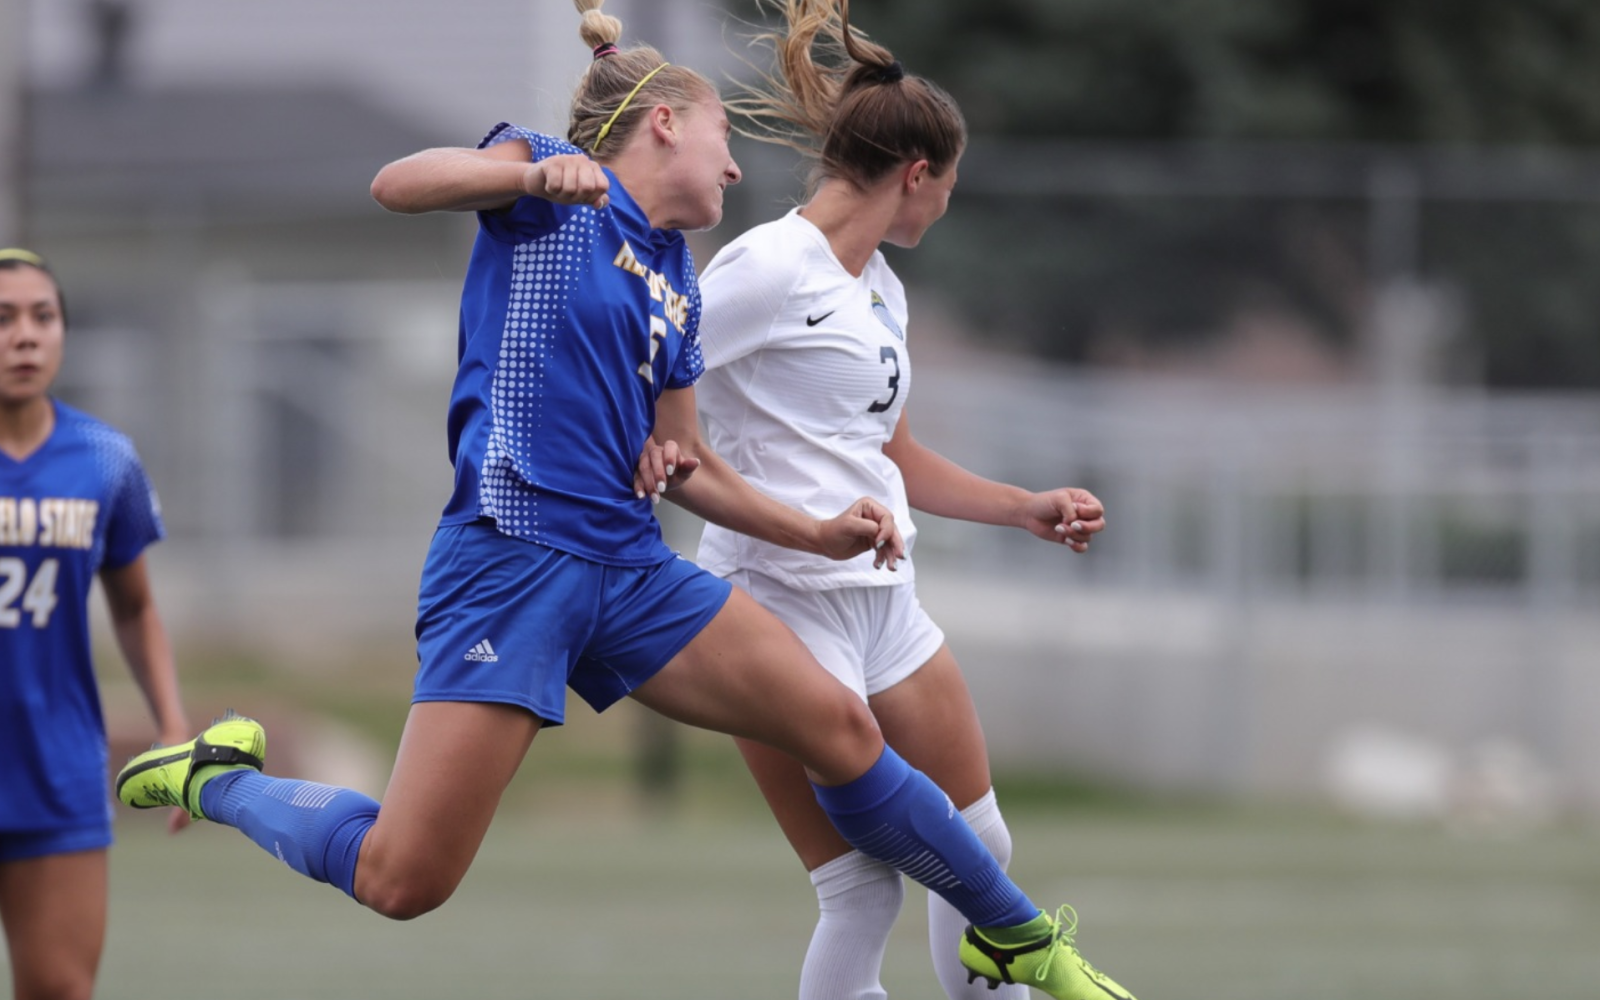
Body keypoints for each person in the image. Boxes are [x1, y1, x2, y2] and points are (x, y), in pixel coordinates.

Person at [114, 3, 1119, 997]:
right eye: (722, 139)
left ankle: (1015, 935)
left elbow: (690, 460)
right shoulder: (550, 189)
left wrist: (814, 530)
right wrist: (521, 172)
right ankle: (221, 779)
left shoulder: (677, 281)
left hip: (634, 573)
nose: (735, 169)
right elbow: (396, 184)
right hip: (512, 559)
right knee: (403, 877)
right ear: (667, 123)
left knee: (840, 730)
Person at [649, 2, 1136, 998]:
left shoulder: (876, 284)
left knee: (978, 842)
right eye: (948, 185)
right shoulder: (765, 269)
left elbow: (890, 450)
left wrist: (1021, 506)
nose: (947, 206)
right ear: (917, 173)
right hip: (776, 602)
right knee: (861, 886)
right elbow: (651, 387)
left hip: (883, 600)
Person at [0, 246, 194, 1000]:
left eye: (42, 318)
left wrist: (173, 726)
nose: (24, 336)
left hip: (57, 773)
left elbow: (136, 606)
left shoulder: (105, 460)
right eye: (4, 319)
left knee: (59, 990)